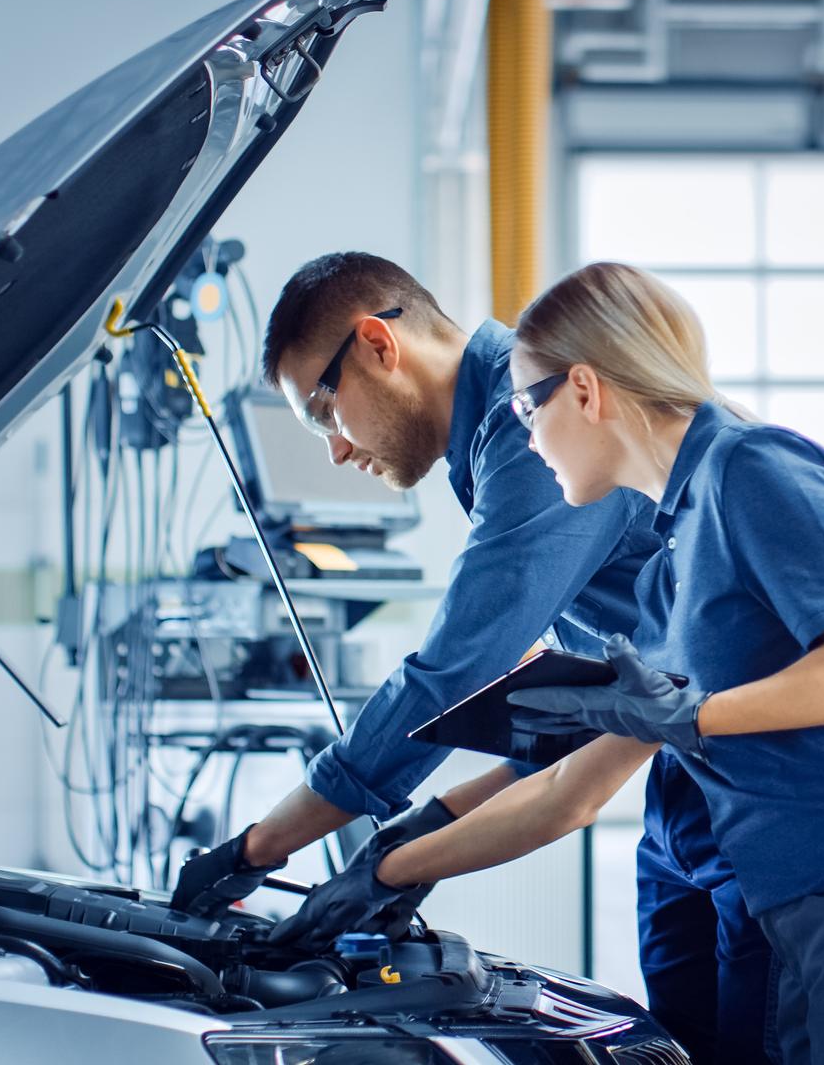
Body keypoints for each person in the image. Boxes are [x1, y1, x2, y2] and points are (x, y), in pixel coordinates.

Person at [276, 262, 824, 1064]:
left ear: (589, 392)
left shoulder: (757, 469)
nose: (523, 438)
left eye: (529, 408)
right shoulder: (673, 552)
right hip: (806, 900)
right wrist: (393, 863)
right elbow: (573, 781)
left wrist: (689, 716)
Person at [169, 253, 775, 1064]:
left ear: (378, 345)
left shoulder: (539, 430)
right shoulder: (506, 445)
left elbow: (453, 674)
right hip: (684, 795)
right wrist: (433, 821)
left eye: (323, 413)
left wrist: (259, 847)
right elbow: (597, 701)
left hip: (770, 802)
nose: (337, 452)